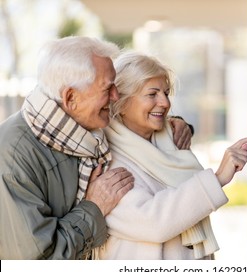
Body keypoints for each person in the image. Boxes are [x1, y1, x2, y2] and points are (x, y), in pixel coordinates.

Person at [0, 36, 192, 260]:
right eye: (108, 88)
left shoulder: (82, 130)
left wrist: (176, 125)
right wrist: (93, 208)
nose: (116, 96)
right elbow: (37, 263)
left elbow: (131, 119)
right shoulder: (13, 157)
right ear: (71, 97)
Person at [93, 51, 247, 260]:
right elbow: (152, 223)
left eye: (166, 93)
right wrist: (216, 179)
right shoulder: (106, 158)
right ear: (122, 102)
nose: (165, 103)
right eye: (152, 94)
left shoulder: (172, 142)